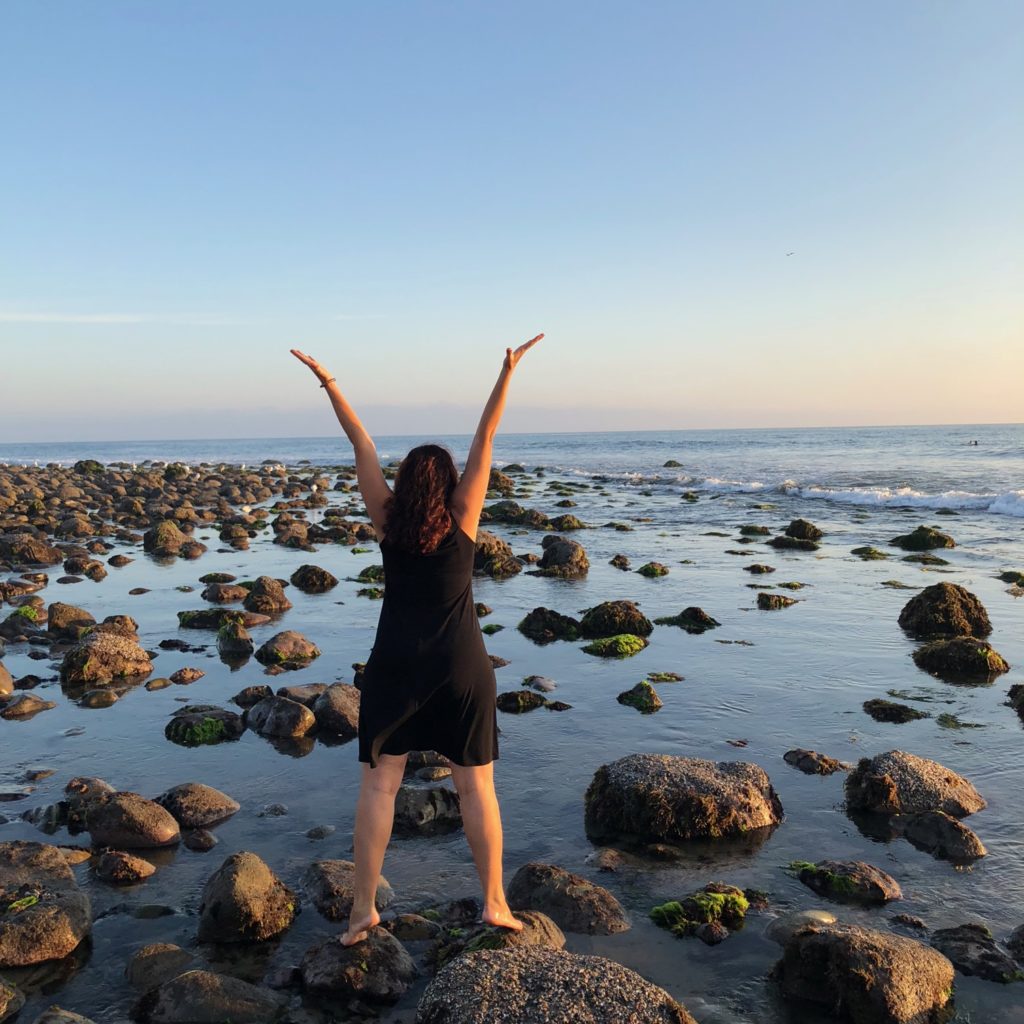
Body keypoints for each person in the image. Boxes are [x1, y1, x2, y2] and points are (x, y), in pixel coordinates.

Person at [290, 333, 543, 945]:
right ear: (451, 484)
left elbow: (362, 444)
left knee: (380, 785)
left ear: (405, 484)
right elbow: (486, 440)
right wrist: (506, 372)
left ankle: (361, 913)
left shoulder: (386, 521)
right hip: (461, 668)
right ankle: (494, 902)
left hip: (394, 666)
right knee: (476, 786)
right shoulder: (463, 521)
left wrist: (329, 382)